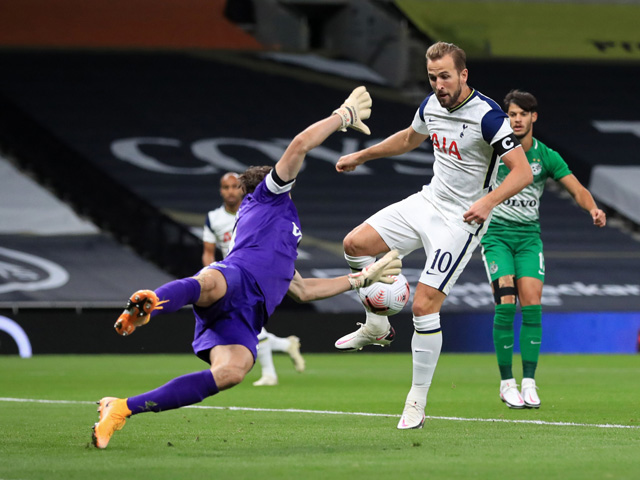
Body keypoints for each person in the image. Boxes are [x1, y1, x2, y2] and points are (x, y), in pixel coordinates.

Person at [91, 86, 403, 449]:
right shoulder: (267, 197)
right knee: (209, 282)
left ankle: (121, 409)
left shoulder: (283, 230)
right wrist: (342, 117)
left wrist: (362, 278)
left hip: (247, 315)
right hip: (236, 277)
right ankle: (149, 304)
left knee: (230, 373)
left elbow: (303, 290)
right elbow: (300, 144)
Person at [332, 42, 533, 430]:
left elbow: (521, 172)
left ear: (463, 75)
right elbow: (409, 138)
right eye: (432, 77)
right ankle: (376, 326)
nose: (439, 84)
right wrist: (361, 155)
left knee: (424, 305)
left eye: (445, 76)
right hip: (428, 201)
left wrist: (488, 203)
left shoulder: (489, 117)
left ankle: (416, 402)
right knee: (354, 244)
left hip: (462, 221)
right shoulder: (431, 105)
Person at [480, 89, 606, 409]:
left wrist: (592, 209)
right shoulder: (493, 152)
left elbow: (576, 188)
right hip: (496, 237)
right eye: (512, 114)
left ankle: (529, 382)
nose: (517, 119)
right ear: (505, 118)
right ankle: (506, 382)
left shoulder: (545, 155)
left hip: (528, 240)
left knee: (532, 305)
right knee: (506, 305)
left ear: (534, 117)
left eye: (523, 114)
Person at [202, 172, 305, 386]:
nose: (230, 191)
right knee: (247, 325)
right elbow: (208, 251)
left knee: (250, 325)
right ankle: (285, 346)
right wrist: (209, 277)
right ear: (221, 190)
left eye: (234, 186)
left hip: (258, 271)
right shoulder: (213, 218)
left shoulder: (255, 209)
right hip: (231, 274)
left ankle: (270, 374)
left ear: (241, 189)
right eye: (226, 187)